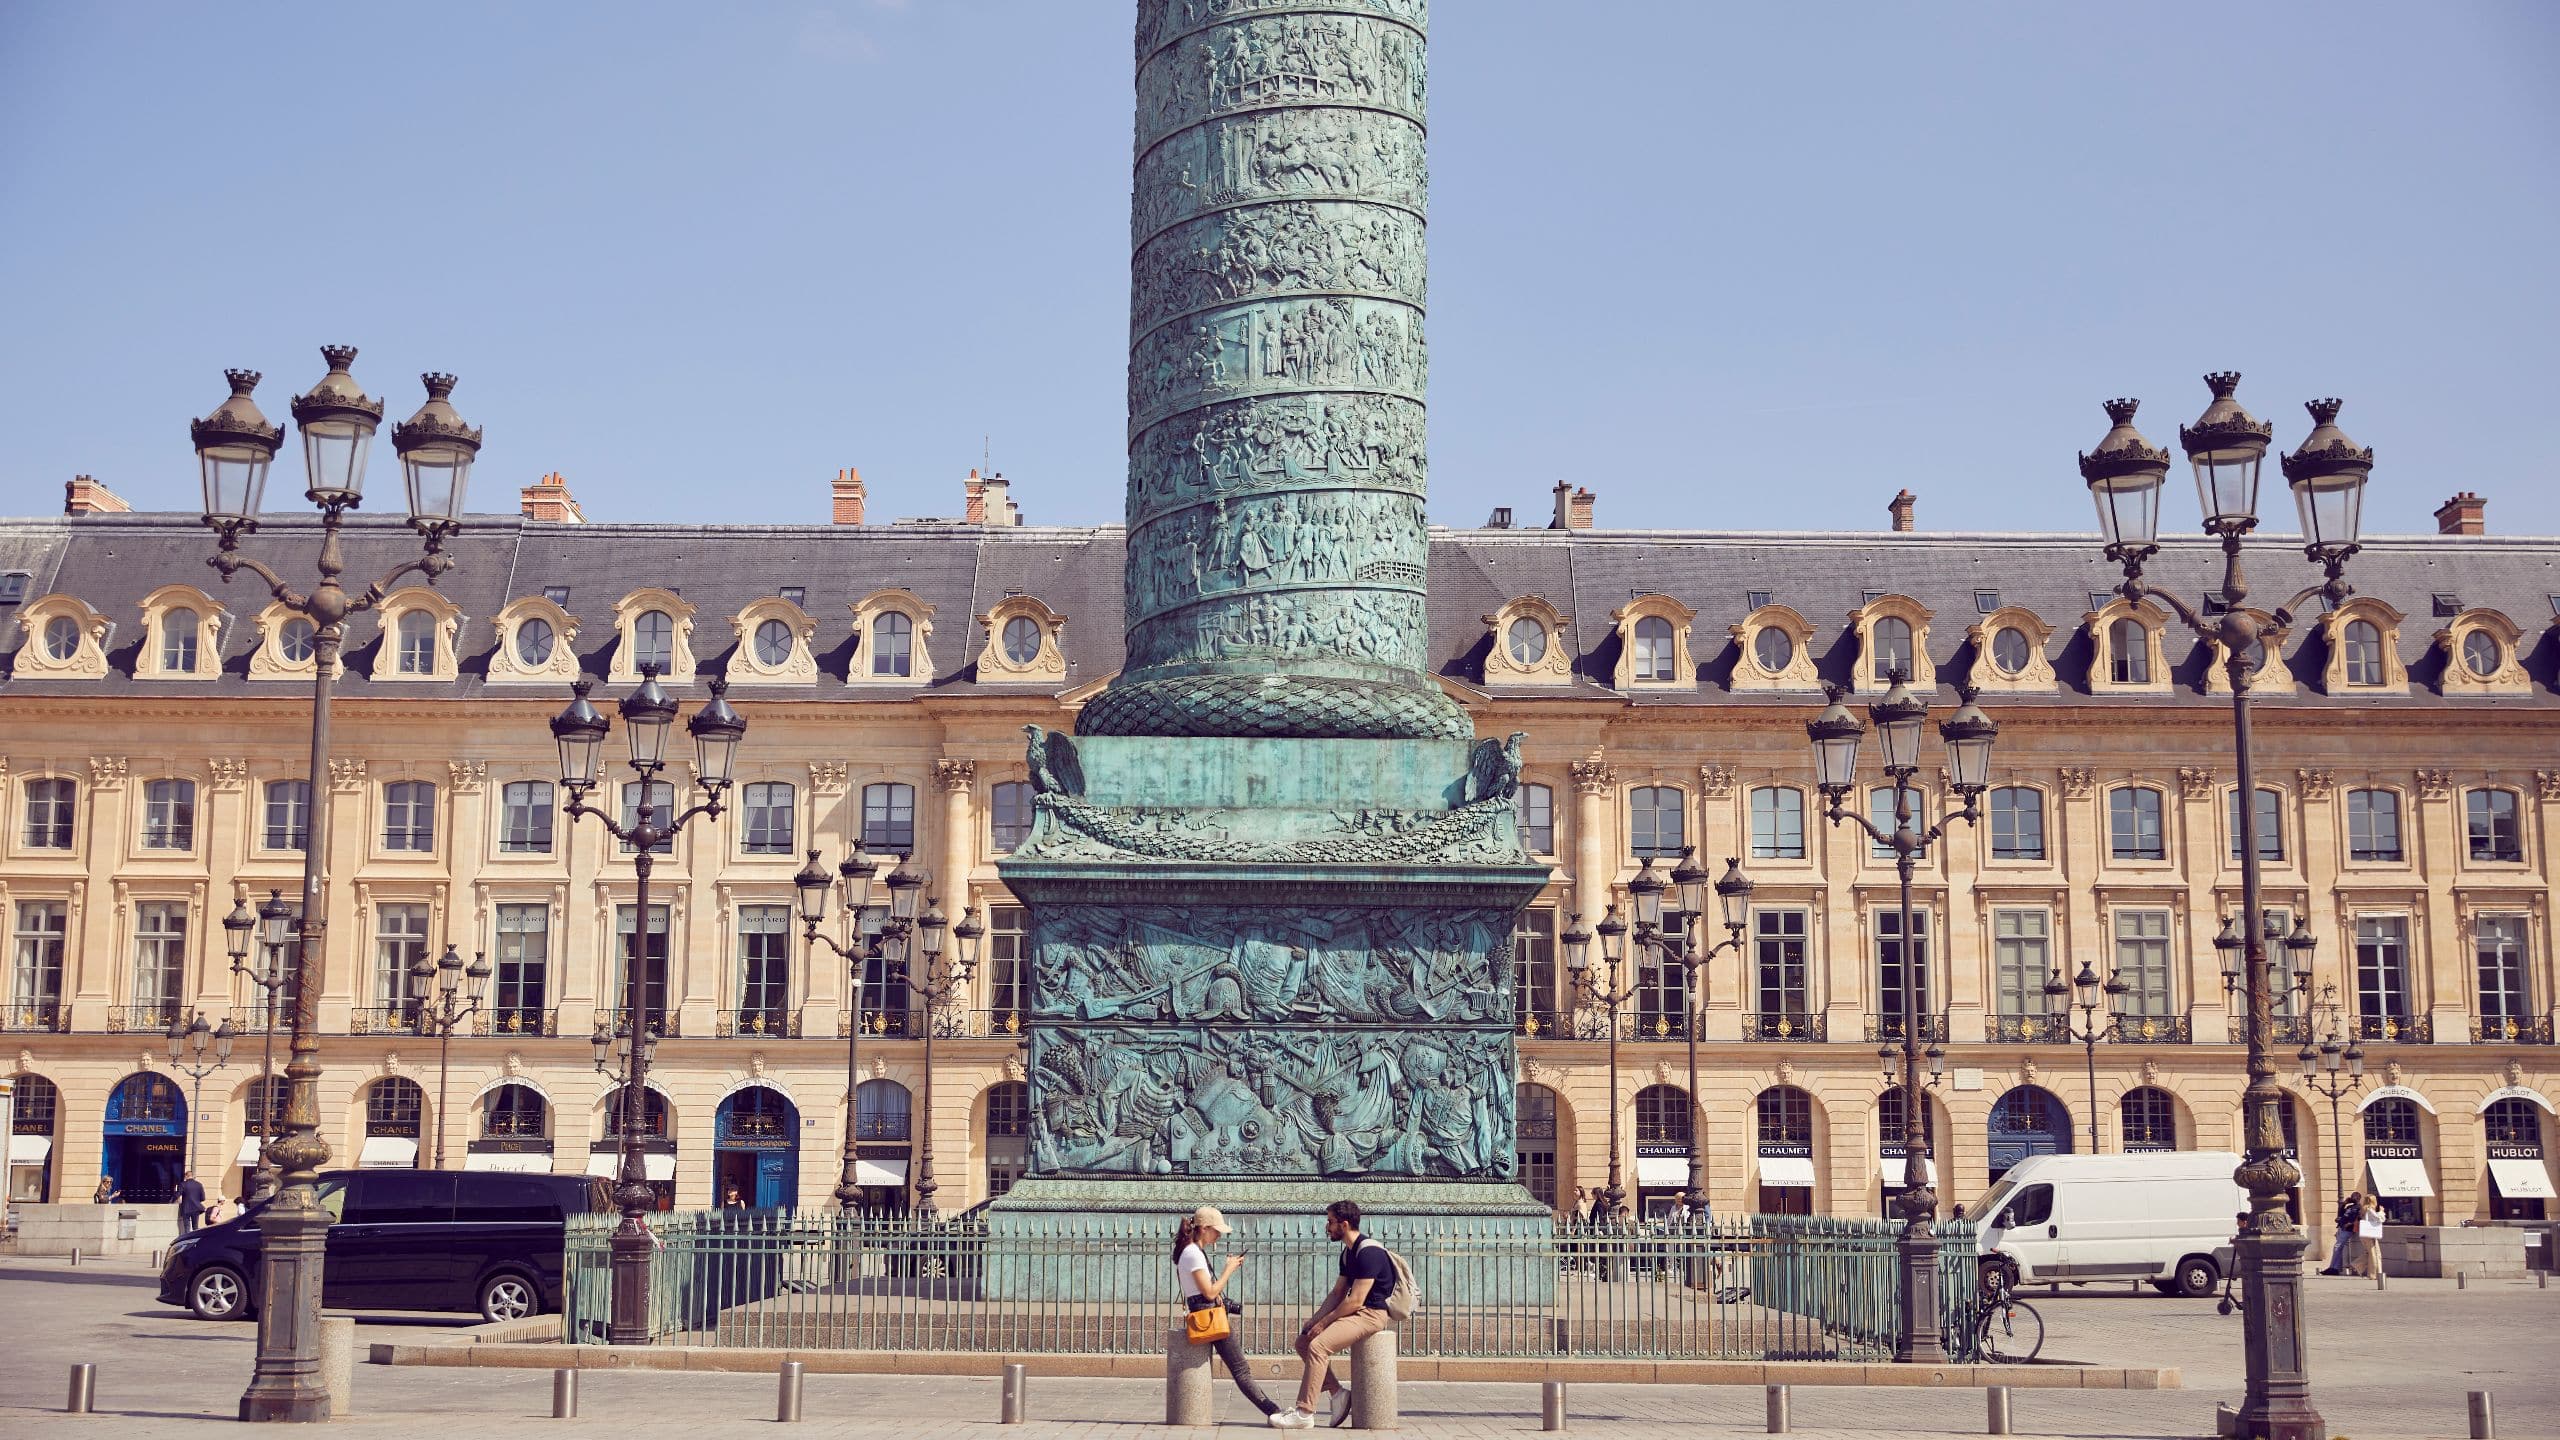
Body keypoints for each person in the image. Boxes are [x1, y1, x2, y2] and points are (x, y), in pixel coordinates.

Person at [1282, 1199, 1396, 1429]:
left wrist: (1325, 1323)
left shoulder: (1369, 1252)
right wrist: (1314, 1321)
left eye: (1330, 1222)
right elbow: (1337, 1293)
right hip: (1356, 1312)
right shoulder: (1347, 1254)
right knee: (1304, 1342)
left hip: (1372, 1314)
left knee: (1319, 1346)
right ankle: (1337, 1393)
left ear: (1344, 1225)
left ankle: (1304, 1413)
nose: (1327, 1226)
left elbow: (1355, 1300)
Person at [1172, 1204, 1283, 1425]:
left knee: (1240, 1369)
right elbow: (1209, 1291)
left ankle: (1273, 1410)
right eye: (1217, 1230)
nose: (1220, 1235)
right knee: (1241, 1369)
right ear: (1203, 1228)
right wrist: (1229, 1270)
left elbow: (1205, 1291)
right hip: (1209, 1315)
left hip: (1205, 1310)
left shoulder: (1193, 1251)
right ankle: (1274, 1412)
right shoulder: (1193, 1253)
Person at [2320, 1192, 2360, 1275]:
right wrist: (2344, 1204)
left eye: (2355, 1197)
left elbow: (2359, 1218)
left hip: (2348, 1230)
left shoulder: (2359, 1207)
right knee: (2338, 1249)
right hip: (2341, 1228)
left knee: (2337, 1247)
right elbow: (2340, 1214)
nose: (2353, 1198)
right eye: (2352, 1196)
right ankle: (2335, 1268)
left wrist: (2350, 1223)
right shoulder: (2349, 1207)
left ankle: (2332, 1268)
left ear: (2359, 1198)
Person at [2354, 1193, 2387, 1279]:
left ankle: (2357, 1265)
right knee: (2375, 1254)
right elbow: (2379, 1219)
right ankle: (2374, 1274)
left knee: (2370, 1253)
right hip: (2370, 1234)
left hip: (2364, 1234)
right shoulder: (2369, 1209)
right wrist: (2382, 1211)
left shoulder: (2364, 1209)